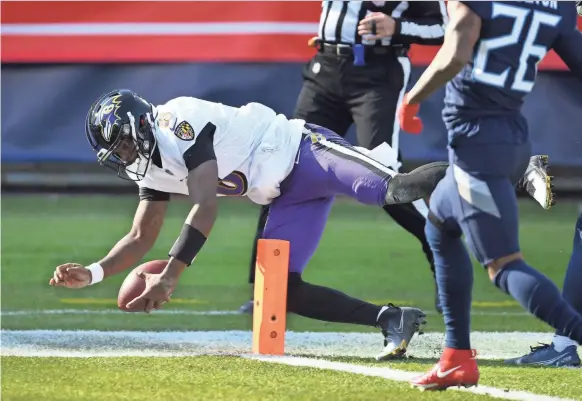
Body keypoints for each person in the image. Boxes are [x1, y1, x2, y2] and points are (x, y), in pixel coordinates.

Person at [49, 90, 453, 360]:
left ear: (139, 124)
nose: (124, 155)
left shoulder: (177, 123)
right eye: (115, 151)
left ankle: (472, 178)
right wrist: (94, 272)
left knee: (391, 190)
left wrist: (171, 276)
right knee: (278, 290)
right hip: (284, 193)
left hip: (305, 151)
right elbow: (141, 236)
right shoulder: (148, 167)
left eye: (122, 143)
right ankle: (390, 319)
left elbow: (206, 206)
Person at [397, 1, 582, 390]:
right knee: (440, 225)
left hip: (478, 146)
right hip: (510, 137)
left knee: (503, 265)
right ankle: (456, 357)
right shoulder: (557, 5)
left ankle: (570, 338)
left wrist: (412, 98)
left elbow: (457, 52)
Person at [239, 1, 450, 315]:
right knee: (280, 167)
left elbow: (446, 28)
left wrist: (398, 27)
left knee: (382, 172)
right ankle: (267, 287)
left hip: (378, 73)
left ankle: (440, 249)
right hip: (325, 68)